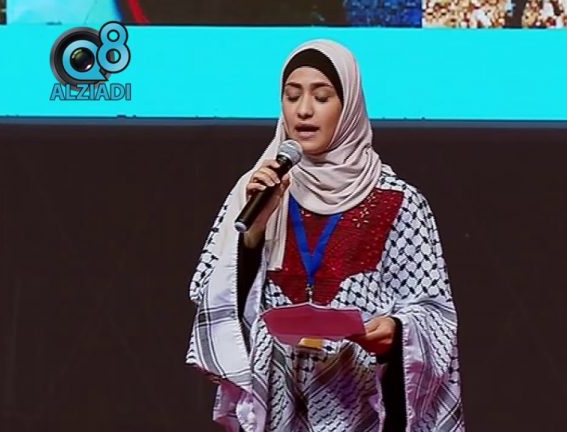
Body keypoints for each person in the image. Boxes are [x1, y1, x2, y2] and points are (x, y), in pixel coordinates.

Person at [186, 39, 465, 432]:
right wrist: (254, 235)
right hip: (277, 402)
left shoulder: (399, 201)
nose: (303, 110)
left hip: (361, 404)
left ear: (348, 106)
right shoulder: (259, 190)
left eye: (321, 97)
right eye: (292, 96)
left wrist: (397, 332)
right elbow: (210, 297)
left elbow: (435, 314)